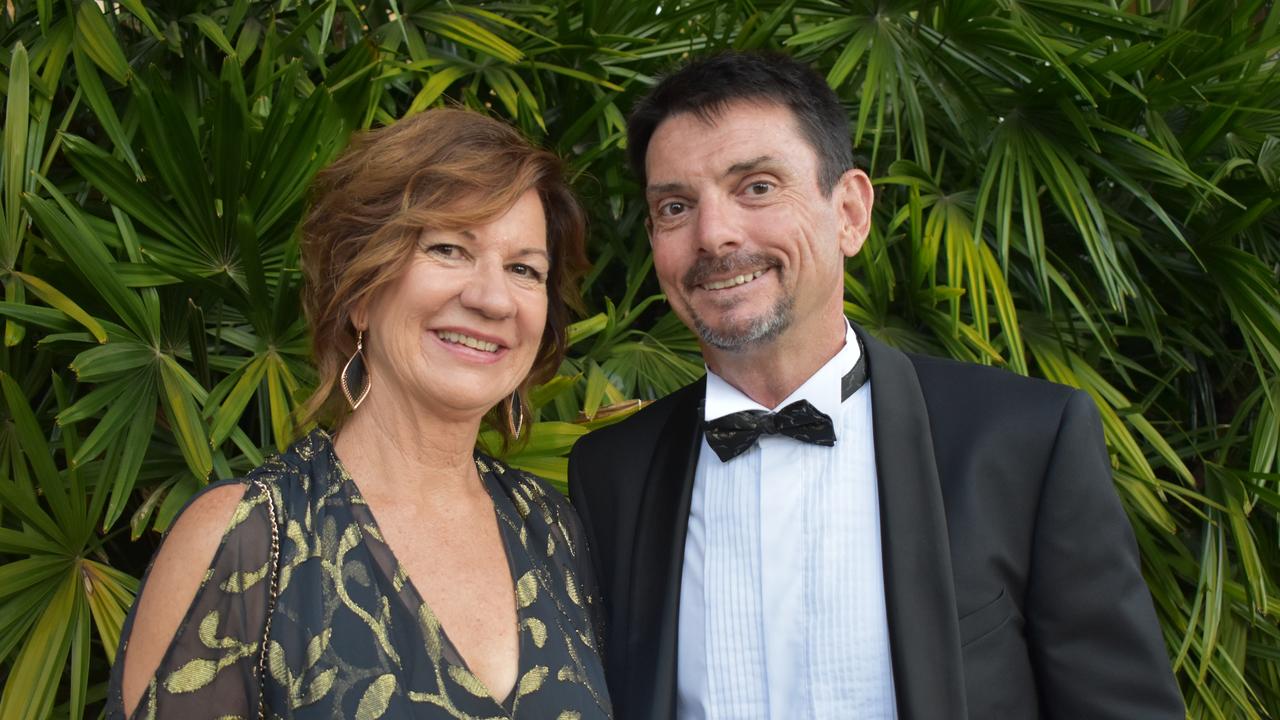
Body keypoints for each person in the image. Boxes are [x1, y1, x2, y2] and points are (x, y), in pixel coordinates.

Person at [567, 52, 1184, 719]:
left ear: (851, 213)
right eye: (676, 206)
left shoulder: (1025, 442)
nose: (714, 235)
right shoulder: (611, 475)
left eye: (758, 187)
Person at [108, 108, 611, 719]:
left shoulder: (553, 529)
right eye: (449, 248)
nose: (491, 298)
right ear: (361, 293)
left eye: (524, 269)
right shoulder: (249, 538)